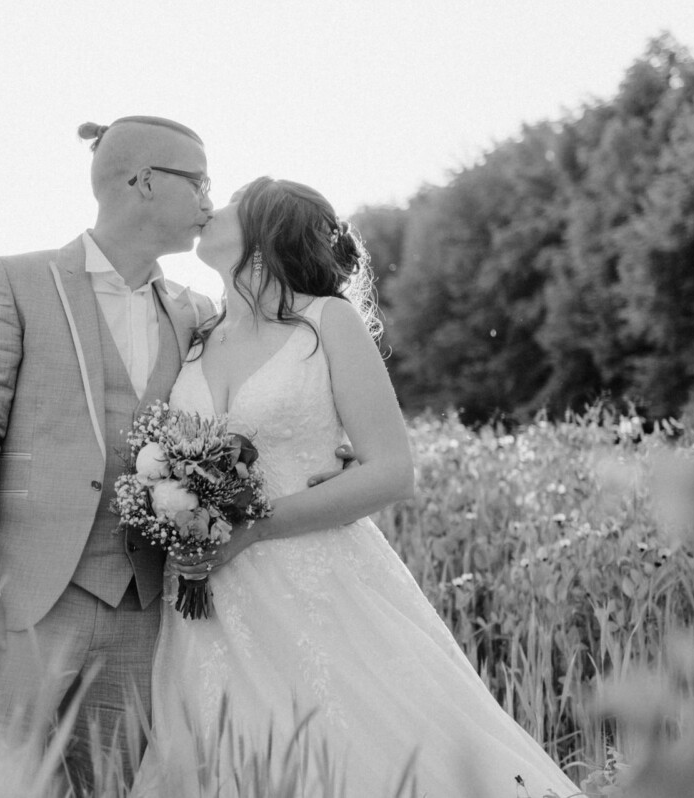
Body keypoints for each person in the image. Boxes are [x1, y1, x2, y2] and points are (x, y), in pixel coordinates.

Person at [136, 177, 584, 797]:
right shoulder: (198, 332)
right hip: (204, 597)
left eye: (229, 205)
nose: (210, 210)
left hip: (310, 576)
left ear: (265, 236)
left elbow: (391, 469)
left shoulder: (326, 322)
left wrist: (251, 528)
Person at [0, 115, 217, 791]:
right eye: (199, 180)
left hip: (143, 612)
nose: (212, 201)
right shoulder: (14, 281)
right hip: (20, 603)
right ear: (142, 182)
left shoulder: (199, 312)